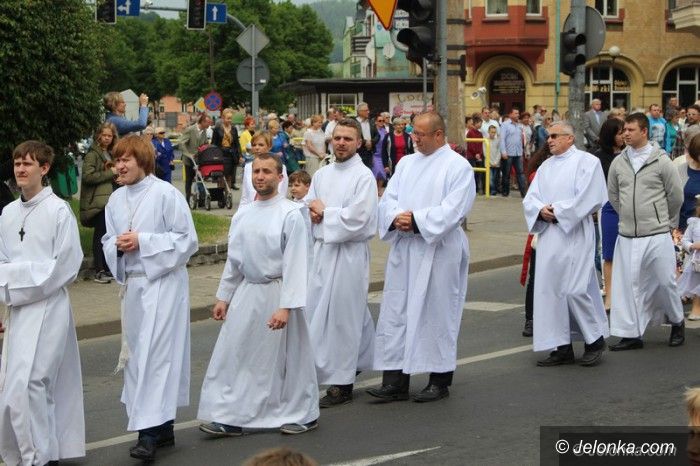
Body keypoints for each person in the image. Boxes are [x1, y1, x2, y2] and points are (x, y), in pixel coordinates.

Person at [198, 153, 319, 437]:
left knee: (288, 358)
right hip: (247, 293)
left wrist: (286, 306)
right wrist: (224, 296)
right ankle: (231, 414)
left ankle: (302, 412)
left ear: (280, 177)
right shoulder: (243, 214)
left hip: (278, 293)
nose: (260, 177)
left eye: (267, 171)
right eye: (256, 172)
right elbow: (234, 259)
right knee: (237, 353)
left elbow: (297, 262)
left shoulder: (291, 213)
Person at [367, 112, 475, 403]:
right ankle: (395, 381)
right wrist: (395, 218)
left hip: (439, 250)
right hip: (405, 249)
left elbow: (455, 209)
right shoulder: (406, 163)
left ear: (438, 135)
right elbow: (388, 199)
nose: (413, 138)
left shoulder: (458, 166)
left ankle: (438, 380)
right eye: (413, 133)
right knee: (396, 311)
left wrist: (416, 220)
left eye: (420, 134)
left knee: (437, 313)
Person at [102, 135, 198, 461]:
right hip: (133, 287)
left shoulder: (165, 194)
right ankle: (164, 426)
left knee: (156, 357)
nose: (120, 166)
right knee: (136, 356)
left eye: (126, 160)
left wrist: (143, 240)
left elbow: (186, 240)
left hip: (163, 285)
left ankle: (147, 434)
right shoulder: (115, 200)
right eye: (117, 160)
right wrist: (116, 246)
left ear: (142, 160)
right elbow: (107, 238)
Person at [0, 141, 85, 466]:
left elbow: (64, 266)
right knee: (13, 387)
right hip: (18, 311)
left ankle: (42, 456)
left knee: (36, 382)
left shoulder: (58, 211)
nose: (21, 169)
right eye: (17, 163)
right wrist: (21, 281)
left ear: (44, 168)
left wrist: (16, 280)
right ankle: (28, 451)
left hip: (50, 308)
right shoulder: (8, 214)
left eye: (28, 164)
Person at [522, 121, 609, 367]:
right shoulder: (546, 166)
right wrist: (540, 210)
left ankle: (594, 340)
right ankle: (562, 346)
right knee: (551, 291)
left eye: (554, 136)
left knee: (575, 289)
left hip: (576, 232)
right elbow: (531, 198)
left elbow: (590, 197)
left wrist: (557, 211)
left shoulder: (587, 162)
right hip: (550, 236)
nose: (549, 140)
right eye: (548, 136)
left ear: (570, 138)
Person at [305, 119, 378, 407]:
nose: (342, 143)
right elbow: (309, 205)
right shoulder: (322, 174)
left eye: (348, 138)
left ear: (359, 142)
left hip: (349, 255)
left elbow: (360, 219)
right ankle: (354, 361)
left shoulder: (363, 177)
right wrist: (312, 214)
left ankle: (342, 382)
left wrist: (326, 213)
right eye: (337, 138)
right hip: (322, 253)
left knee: (343, 318)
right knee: (321, 313)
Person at [607, 113, 685, 351]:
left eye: (631, 130)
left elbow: (675, 196)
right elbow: (613, 195)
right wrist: (627, 216)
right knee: (630, 285)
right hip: (628, 235)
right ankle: (632, 334)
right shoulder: (619, 162)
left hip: (657, 232)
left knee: (665, 281)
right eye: (624, 130)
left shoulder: (661, 161)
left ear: (644, 131)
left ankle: (677, 321)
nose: (626, 134)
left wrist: (666, 222)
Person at [80, 122, 119, 284]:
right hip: (97, 202)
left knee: (109, 235)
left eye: (110, 136)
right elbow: (87, 177)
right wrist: (111, 173)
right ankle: (99, 270)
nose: (107, 138)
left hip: (110, 200)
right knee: (100, 234)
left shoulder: (110, 153)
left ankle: (107, 267)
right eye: (104, 135)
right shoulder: (92, 154)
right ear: (98, 136)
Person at [593, 118, 625, 312]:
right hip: (608, 208)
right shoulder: (597, 158)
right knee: (609, 253)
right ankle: (610, 296)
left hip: (629, 207)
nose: (624, 136)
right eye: (620, 133)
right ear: (610, 135)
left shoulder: (629, 155)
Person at [519, 144, 552, 338]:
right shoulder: (538, 176)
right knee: (536, 276)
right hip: (542, 231)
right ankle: (530, 319)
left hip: (562, 229)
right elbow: (531, 202)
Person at [240, 132, 289, 207]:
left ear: (269, 146)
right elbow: (245, 196)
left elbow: (281, 193)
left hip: (272, 208)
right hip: (251, 208)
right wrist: (241, 211)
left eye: (261, 145)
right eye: (254, 145)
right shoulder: (248, 167)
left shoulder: (280, 167)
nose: (257, 148)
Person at [179, 114, 211, 206]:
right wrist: (188, 154)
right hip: (189, 160)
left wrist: (207, 146)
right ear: (202, 122)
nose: (209, 124)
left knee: (200, 179)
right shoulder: (190, 129)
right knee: (189, 180)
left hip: (199, 159)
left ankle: (201, 200)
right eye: (208, 122)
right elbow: (181, 143)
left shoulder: (204, 130)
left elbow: (204, 143)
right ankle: (187, 200)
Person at [679, 197, 700, 320]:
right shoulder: (694, 223)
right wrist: (692, 246)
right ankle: (696, 308)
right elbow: (685, 240)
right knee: (695, 284)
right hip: (696, 261)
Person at [499, 108, 527, 197]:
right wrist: (503, 151)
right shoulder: (505, 125)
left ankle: (524, 193)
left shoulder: (519, 125)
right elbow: (502, 139)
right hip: (508, 153)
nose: (518, 115)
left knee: (521, 173)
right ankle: (505, 192)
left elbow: (521, 139)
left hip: (518, 153)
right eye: (515, 113)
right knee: (506, 174)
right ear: (510, 114)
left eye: (518, 113)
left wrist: (522, 152)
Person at [211, 108, 241, 190]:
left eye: (231, 118)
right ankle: (220, 194)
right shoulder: (217, 129)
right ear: (223, 118)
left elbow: (236, 143)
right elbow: (213, 144)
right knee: (221, 176)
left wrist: (240, 155)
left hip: (231, 155)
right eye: (228, 118)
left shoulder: (234, 129)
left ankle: (228, 193)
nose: (230, 120)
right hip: (221, 155)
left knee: (229, 175)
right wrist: (214, 155)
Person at [355, 102, 379, 169]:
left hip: (370, 153)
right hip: (358, 153)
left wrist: (371, 142)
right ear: (360, 112)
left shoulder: (371, 122)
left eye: (368, 110)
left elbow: (377, 135)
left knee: (369, 171)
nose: (368, 112)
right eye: (366, 110)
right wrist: (365, 142)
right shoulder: (354, 122)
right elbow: (354, 136)